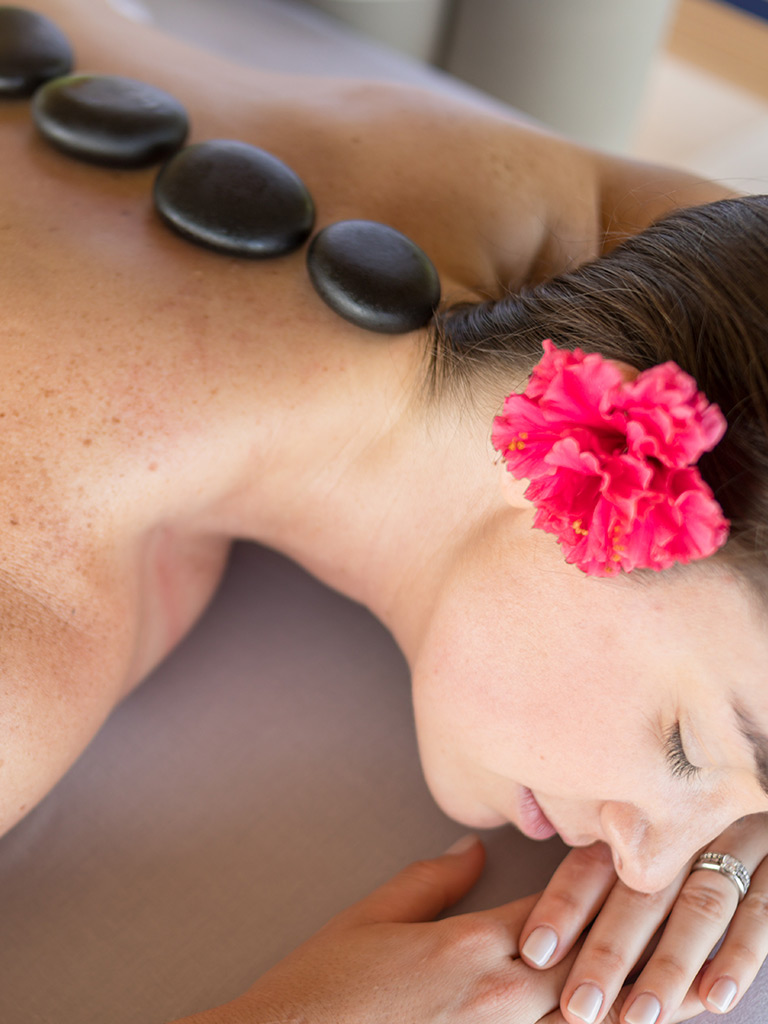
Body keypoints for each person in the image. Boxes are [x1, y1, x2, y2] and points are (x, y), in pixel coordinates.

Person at [0, 2, 766, 1023]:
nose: (651, 855)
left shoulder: (620, 253)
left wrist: (737, 788)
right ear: (592, 452)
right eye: (681, 745)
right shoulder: (29, 626)